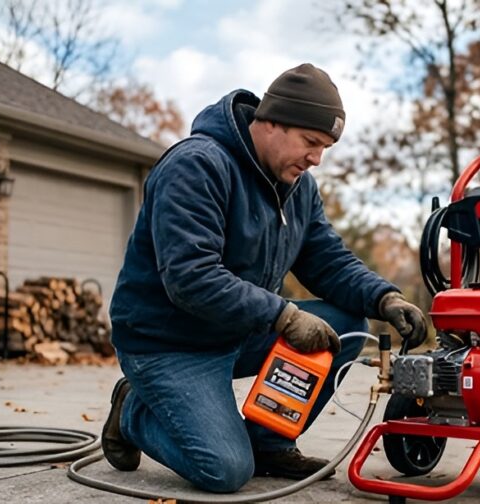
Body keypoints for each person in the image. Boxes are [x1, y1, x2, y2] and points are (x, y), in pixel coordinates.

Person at [103, 63, 426, 493]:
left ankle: (271, 442)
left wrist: (384, 298)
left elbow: (327, 260)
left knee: (347, 326)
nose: (316, 158)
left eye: (325, 148)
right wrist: (283, 315)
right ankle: (133, 412)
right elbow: (190, 277)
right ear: (271, 122)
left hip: (235, 331)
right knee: (226, 470)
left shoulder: (298, 188)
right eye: (311, 142)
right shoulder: (197, 166)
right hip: (168, 343)